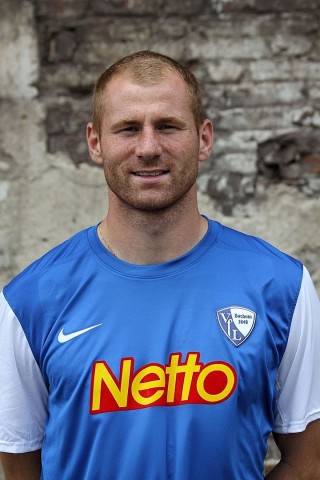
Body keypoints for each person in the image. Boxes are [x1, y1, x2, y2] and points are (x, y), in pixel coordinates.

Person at [0, 50, 320, 480]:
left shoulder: (282, 286)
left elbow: (308, 463)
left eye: (168, 126)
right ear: (95, 142)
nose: (148, 147)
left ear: (204, 138)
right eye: (128, 128)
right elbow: (21, 470)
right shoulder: (28, 302)